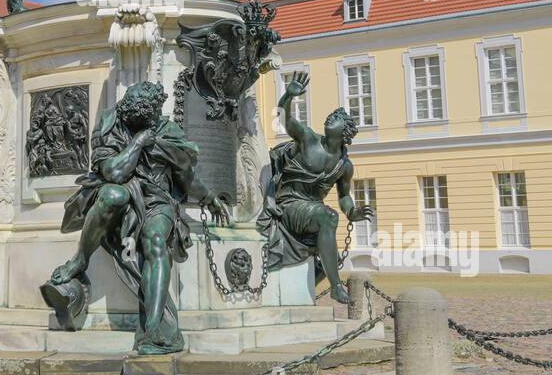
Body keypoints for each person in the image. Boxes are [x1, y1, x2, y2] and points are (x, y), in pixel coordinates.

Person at [46, 80, 234, 354]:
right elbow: (112, 172)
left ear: (151, 116)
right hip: (123, 192)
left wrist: (209, 198)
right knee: (112, 194)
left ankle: (153, 327)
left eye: (138, 119)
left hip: (158, 201)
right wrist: (137, 143)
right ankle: (79, 260)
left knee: (155, 240)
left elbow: (186, 177)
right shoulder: (111, 122)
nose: (125, 117)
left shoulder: (168, 133)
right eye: (126, 114)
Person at [256, 75, 374, 304]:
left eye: (338, 117)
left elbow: (344, 196)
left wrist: (352, 212)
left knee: (331, 254)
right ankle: (336, 287)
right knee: (327, 217)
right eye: (332, 115)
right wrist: (289, 95)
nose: (332, 117)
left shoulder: (344, 167)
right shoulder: (308, 139)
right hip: (289, 204)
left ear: (345, 132)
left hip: (311, 212)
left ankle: (299, 296)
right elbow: (284, 118)